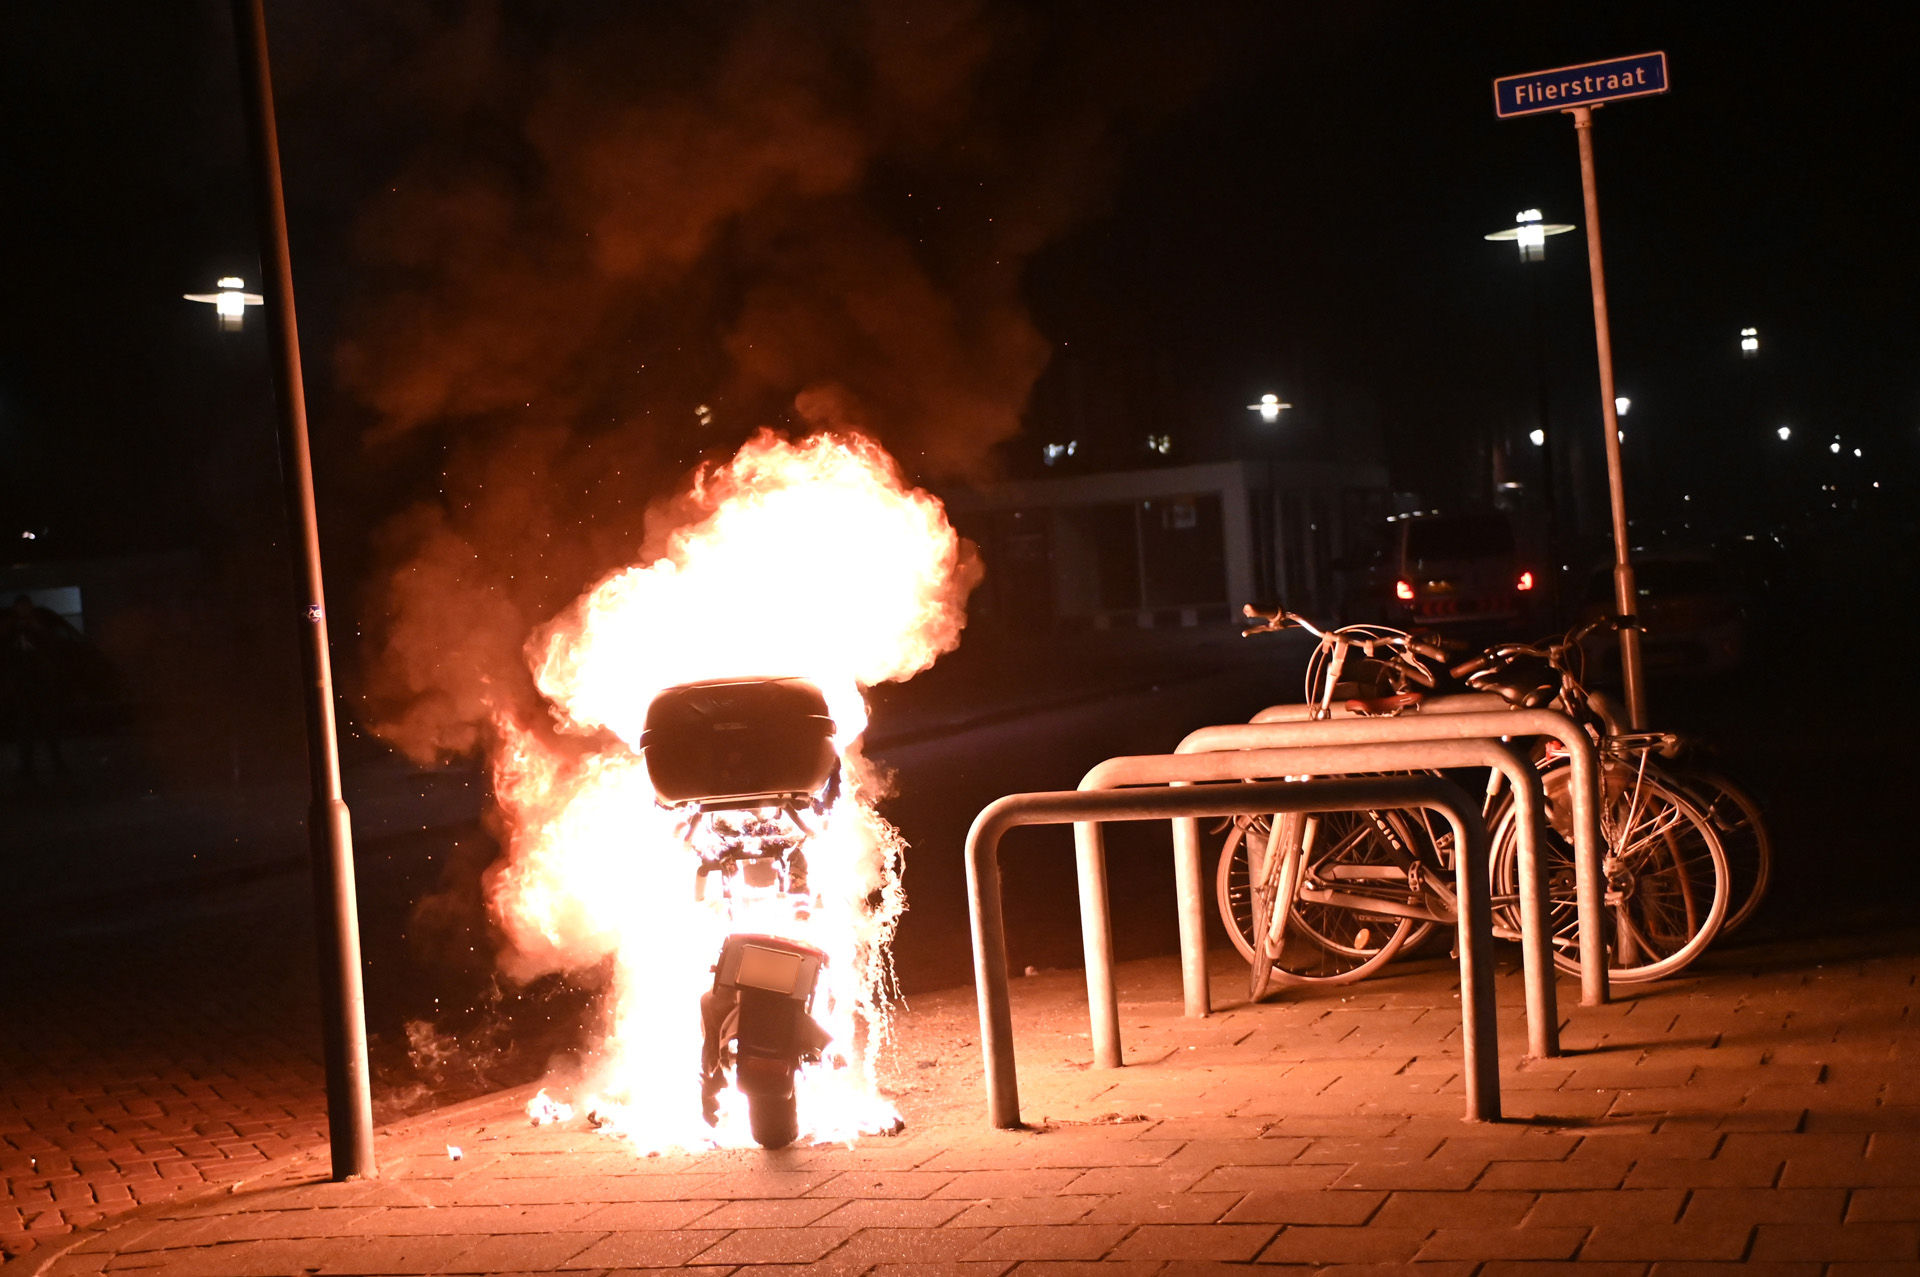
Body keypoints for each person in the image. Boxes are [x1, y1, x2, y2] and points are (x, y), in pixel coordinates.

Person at [0, 594, 78, 779]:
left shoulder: (39, 624)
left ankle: (56, 761)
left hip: (41, 684)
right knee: (25, 725)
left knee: (49, 723)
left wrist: (36, 630)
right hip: (22, 685)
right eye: (20, 607)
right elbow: (5, 653)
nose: (23, 611)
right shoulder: (10, 628)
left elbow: (52, 647)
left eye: (25, 607)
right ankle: (26, 765)